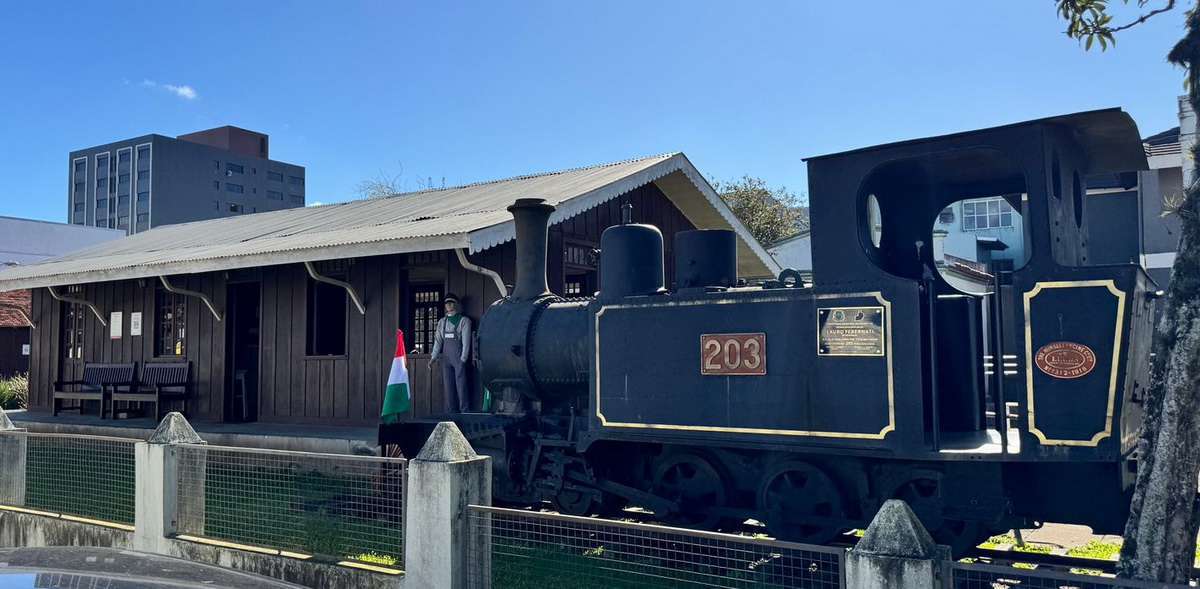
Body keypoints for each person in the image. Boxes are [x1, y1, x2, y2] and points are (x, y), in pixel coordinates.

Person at [429, 294, 472, 414]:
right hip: (446, 359)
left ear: (456, 304)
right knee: (448, 388)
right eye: (447, 303)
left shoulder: (464, 321)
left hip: (458, 358)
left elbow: (466, 342)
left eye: (452, 302)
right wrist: (433, 357)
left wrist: (463, 359)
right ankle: (451, 415)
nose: (449, 305)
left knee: (461, 386)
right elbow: (438, 341)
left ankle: (464, 412)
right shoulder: (442, 322)